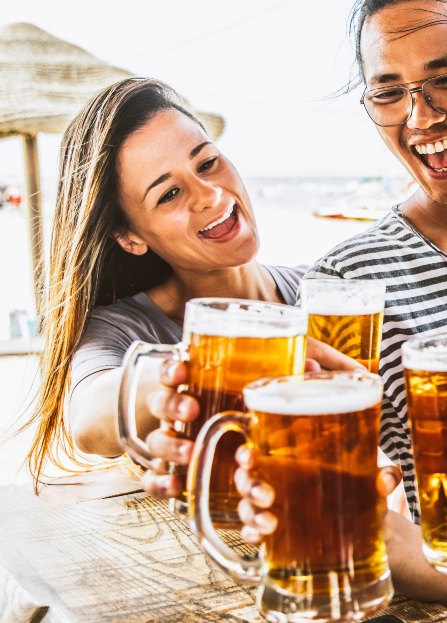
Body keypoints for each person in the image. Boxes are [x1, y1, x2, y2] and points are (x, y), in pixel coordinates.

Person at [143, 2, 447, 623]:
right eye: (389, 93)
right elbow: (414, 552)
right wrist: (346, 520)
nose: (421, 118)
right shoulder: (350, 286)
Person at [25, 78, 346, 486]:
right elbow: (88, 420)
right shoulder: (124, 327)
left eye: (207, 163)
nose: (209, 194)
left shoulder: (333, 296)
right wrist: (216, 367)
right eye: (170, 193)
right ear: (130, 237)